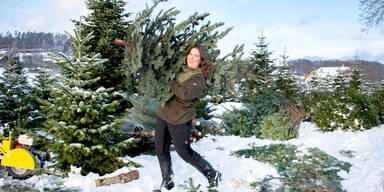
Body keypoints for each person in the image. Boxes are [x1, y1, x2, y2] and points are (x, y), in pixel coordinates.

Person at [154, 44, 221, 191]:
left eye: (196, 55)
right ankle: (167, 180)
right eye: (190, 54)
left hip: (180, 118)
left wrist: (171, 82)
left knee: (184, 151)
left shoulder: (199, 77)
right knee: (160, 148)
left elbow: (186, 95)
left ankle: (212, 174)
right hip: (164, 113)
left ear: (201, 60)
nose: (191, 57)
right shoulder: (181, 69)